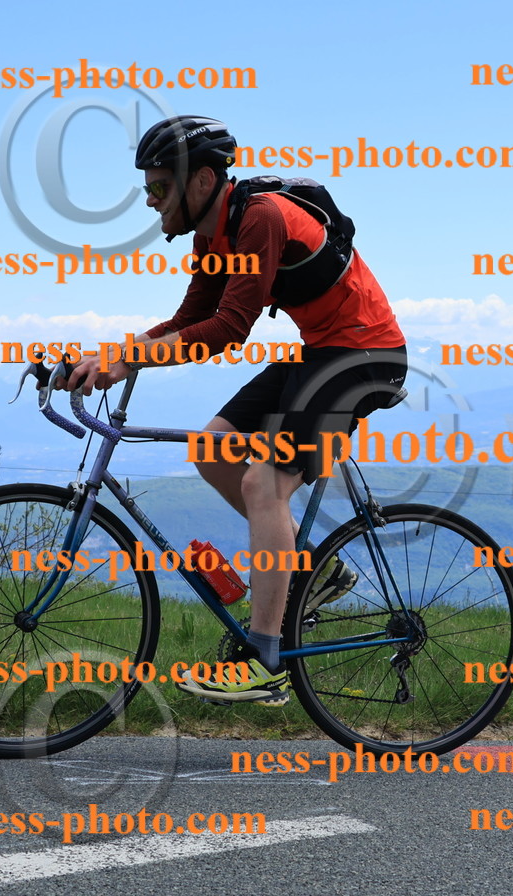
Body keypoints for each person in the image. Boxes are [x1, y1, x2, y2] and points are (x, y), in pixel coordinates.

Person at [61, 115, 407, 705]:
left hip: (365, 358)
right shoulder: (211, 237)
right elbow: (188, 321)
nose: (150, 200)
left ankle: (266, 659)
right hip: (323, 353)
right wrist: (109, 355)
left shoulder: (261, 218)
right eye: (146, 187)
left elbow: (227, 329)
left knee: (262, 483)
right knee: (211, 448)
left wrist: (129, 360)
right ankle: (316, 572)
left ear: (202, 181)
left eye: (159, 186)